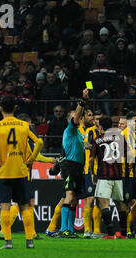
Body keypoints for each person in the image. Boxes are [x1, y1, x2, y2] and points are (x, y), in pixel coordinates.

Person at [0, 95, 44, 249]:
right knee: (25, 206)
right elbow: (39, 142)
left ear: (1, 108)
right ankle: (29, 241)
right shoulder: (24, 125)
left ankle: (8, 242)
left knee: (5, 206)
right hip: (21, 171)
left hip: (4, 172)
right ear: (15, 108)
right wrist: (30, 160)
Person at [0, 113, 56, 241]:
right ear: (27, 124)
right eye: (31, 125)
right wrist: (49, 159)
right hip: (23, 173)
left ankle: (33, 233)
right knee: (22, 202)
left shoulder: (14, 136)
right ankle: (4, 230)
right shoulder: (26, 137)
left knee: (29, 202)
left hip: (13, 171)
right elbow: (35, 156)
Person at [54, 89, 89, 238]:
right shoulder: (70, 130)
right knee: (69, 195)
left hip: (78, 167)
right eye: (78, 117)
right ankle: (63, 229)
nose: (80, 119)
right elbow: (76, 116)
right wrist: (82, 101)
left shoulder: (79, 135)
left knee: (74, 198)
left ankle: (70, 229)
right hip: (70, 165)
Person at [89, 116, 128, 239]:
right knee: (120, 204)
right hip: (117, 175)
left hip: (104, 175)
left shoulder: (98, 139)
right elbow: (128, 154)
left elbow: (91, 159)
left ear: (101, 126)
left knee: (103, 204)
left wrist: (92, 173)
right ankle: (123, 233)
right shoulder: (120, 138)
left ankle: (110, 233)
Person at [79, 107, 103, 239]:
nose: (97, 121)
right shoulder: (90, 131)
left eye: (99, 119)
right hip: (90, 169)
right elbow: (86, 144)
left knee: (99, 200)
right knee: (90, 199)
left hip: (102, 170)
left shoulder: (102, 133)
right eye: (95, 119)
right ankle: (87, 230)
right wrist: (98, 145)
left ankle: (97, 231)